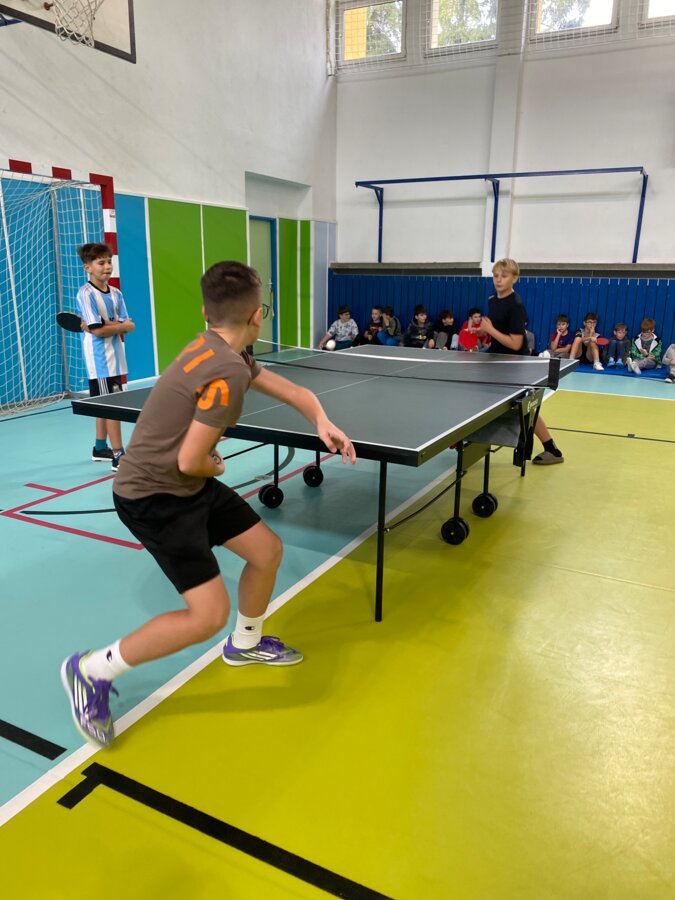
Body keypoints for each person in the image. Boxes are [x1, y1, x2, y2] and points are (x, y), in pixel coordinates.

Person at [61, 261, 356, 748]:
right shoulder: (227, 371)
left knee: (266, 551)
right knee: (207, 615)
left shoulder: (217, 347)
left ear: (206, 311)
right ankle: (92, 670)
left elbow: (294, 391)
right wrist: (216, 467)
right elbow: (193, 460)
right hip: (153, 495)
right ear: (257, 316)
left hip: (182, 484)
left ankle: (246, 643)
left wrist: (322, 421)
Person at [474, 258, 565, 466]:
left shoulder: (516, 306)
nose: (498, 280)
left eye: (504, 276)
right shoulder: (492, 300)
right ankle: (476, 442)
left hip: (514, 364)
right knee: (493, 401)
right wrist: (482, 333)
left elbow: (515, 344)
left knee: (524, 408)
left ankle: (552, 449)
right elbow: (497, 333)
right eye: (495, 276)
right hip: (496, 361)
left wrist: (490, 330)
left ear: (515, 278)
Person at [76, 242, 135, 470]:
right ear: (87, 267)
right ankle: (118, 455)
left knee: (103, 404)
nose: (107, 266)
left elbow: (128, 324)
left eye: (109, 262)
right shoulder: (86, 293)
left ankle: (100, 448)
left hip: (116, 358)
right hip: (99, 360)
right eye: (101, 263)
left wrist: (106, 324)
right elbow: (99, 331)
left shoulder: (116, 293)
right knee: (112, 407)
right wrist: (117, 326)